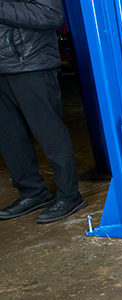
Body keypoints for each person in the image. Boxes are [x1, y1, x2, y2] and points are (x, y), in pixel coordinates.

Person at [0, 0, 86, 223]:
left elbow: (49, 15)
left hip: (30, 64)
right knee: (9, 136)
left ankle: (69, 195)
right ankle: (32, 193)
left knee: (49, 133)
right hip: (2, 67)